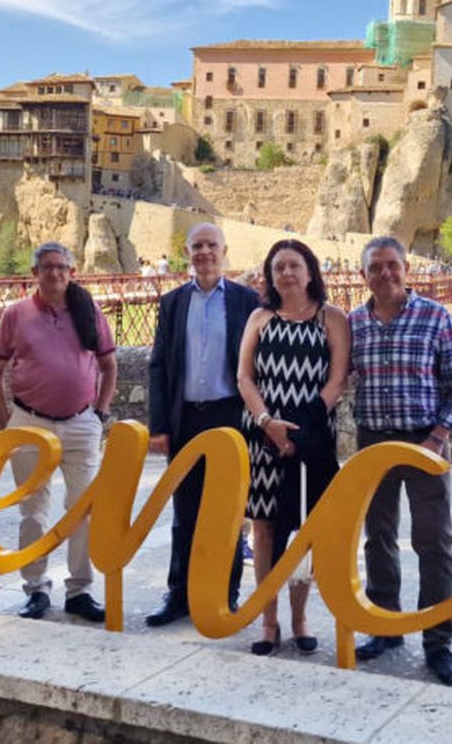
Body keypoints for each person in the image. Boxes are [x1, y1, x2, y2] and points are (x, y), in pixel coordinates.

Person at [348, 236, 452, 686]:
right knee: (377, 536)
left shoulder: (435, 317)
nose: (385, 274)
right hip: (373, 442)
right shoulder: (354, 323)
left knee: (433, 542)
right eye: (376, 267)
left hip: (425, 441)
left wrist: (437, 438)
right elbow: (335, 376)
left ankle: (439, 644)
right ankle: (385, 628)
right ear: (364, 276)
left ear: (406, 269)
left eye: (392, 266)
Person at [0, 242, 117, 623]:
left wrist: (100, 412)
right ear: (35, 273)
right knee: (33, 511)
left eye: (61, 267)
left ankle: (79, 589)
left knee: (83, 509)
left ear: (71, 272)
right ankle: (36, 588)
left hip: (80, 423)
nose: (54, 274)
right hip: (30, 421)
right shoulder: (17, 314)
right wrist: (3, 416)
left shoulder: (88, 309)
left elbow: (109, 364)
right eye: (47, 267)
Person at [236, 240, 350, 656]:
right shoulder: (259, 318)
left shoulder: (331, 318)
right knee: (265, 529)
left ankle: (300, 619)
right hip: (264, 438)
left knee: (305, 530)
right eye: (278, 267)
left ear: (309, 271)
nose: (287, 273)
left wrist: (299, 432)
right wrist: (269, 423)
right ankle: (268, 622)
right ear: (270, 274)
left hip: (313, 436)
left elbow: (337, 379)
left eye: (294, 266)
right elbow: (244, 378)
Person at [144, 223, 258, 627]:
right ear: (188, 253)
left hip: (230, 416)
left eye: (212, 245)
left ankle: (225, 595)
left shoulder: (247, 301)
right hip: (187, 417)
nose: (204, 252)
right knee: (185, 512)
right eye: (197, 246)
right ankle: (179, 594)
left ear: (224, 251)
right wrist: (159, 425)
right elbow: (159, 365)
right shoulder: (173, 302)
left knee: (228, 510)